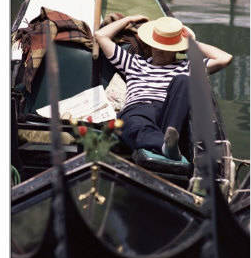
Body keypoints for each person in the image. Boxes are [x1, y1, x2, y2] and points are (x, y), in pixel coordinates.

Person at [95, 15, 232, 160]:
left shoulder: (186, 66)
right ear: (150, 45)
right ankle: (165, 145)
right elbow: (101, 35)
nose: (159, 51)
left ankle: (169, 140)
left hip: (167, 114)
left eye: (166, 48)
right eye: (157, 46)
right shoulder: (133, 62)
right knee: (134, 123)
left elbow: (224, 58)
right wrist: (130, 19)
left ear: (176, 50)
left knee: (184, 80)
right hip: (138, 109)